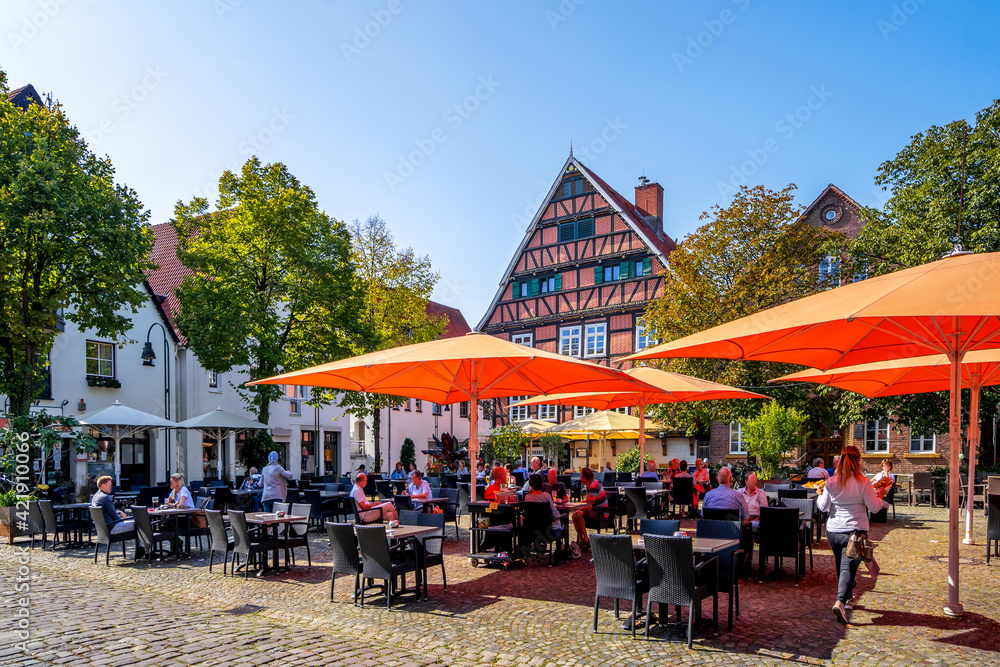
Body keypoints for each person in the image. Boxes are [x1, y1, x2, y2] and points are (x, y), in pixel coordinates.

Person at [816, 445, 888, 623]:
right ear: (858, 461)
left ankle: (848, 598)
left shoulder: (832, 481)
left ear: (840, 460)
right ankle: (840, 601)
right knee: (847, 567)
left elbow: (823, 507)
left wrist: (819, 494)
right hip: (854, 531)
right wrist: (881, 496)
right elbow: (874, 507)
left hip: (833, 531)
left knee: (843, 565)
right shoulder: (862, 481)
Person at [570, 467, 608, 552]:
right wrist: (576, 504)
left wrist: (576, 507)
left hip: (601, 513)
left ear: (584, 478)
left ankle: (586, 540)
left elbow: (589, 507)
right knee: (574, 515)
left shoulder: (593, 487)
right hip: (596, 510)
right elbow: (588, 501)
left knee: (578, 514)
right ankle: (581, 540)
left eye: (581, 476)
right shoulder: (591, 484)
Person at [525, 473, 563, 537]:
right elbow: (554, 512)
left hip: (533, 529)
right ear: (541, 484)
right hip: (547, 529)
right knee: (558, 524)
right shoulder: (546, 496)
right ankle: (560, 545)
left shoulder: (527, 497)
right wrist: (561, 516)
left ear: (530, 485)